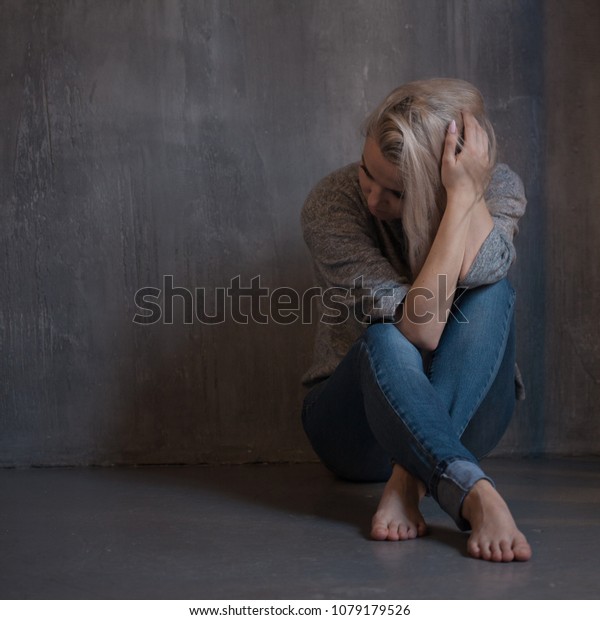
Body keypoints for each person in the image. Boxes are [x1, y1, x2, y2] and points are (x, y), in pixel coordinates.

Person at [300, 78, 532, 562]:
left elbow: (484, 270)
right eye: (368, 173)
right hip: (356, 428)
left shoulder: (497, 187)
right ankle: (472, 491)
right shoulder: (332, 204)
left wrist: (464, 198)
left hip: (470, 415)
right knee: (389, 333)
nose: (373, 200)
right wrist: (460, 201)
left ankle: (411, 476)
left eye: (398, 193)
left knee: (492, 291)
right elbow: (420, 330)